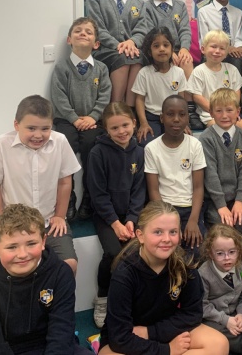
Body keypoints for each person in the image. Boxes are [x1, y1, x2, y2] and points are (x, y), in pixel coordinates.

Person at [98, 200, 229, 355]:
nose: (167, 239)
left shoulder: (185, 265)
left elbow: (193, 314)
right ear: (140, 236)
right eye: (158, 232)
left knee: (219, 344)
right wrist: (167, 350)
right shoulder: (124, 273)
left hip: (167, 331)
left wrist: (151, 333)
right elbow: (120, 338)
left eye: (173, 232)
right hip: (130, 338)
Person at [0, 95, 81, 274]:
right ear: (16, 125)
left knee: (69, 265)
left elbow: (65, 181)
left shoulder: (60, 141)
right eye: (31, 128)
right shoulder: (1, 144)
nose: (38, 135)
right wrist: (1, 223)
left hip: (48, 222)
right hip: (11, 225)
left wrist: (59, 215)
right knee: (10, 272)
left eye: (45, 128)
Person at [0, 204, 89, 354]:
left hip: (51, 346)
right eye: (12, 247)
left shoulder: (61, 274)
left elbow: (62, 333)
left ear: (43, 241)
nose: (22, 254)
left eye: (31, 243)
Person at [87, 102, 146, 328]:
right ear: (106, 129)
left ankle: (131, 300)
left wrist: (131, 219)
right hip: (106, 216)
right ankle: (102, 298)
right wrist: (115, 224)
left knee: (139, 252)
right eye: (114, 128)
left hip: (130, 215)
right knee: (113, 253)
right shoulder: (98, 153)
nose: (121, 131)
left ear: (134, 123)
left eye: (125, 125)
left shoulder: (139, 152)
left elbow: (139, 191)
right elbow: (98, 194)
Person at [51, 16, 112, 222]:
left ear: (96, 44)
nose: (83, 33)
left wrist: (93, 117)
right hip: (66, 120)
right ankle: (68, 198)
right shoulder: (62, 67)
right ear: (69, 39)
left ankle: (88, 197)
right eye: (78, 31)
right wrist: (74, 119)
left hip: (92, 121)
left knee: (92, 147)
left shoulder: (101, 69)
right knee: (64, 143)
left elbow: (104, 96)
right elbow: (58, 96)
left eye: (88, 32)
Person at [144, 95, 206, 256]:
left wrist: (193, 220)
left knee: (196, 254)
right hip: (164, 209)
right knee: (170, 254)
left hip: (191, 210)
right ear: (161, 118)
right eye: (170, 114)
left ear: (188, 118)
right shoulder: (151, 148)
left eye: (182, 114)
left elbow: (198, 187)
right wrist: (170, 223)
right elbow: (154, 191)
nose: (176, 119)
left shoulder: (195, 145)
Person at [86, 0, 144, 106]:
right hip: (105, 49)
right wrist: (119, 45)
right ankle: (115, 107)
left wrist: (131, 42)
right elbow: (97, 27)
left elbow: (142, 28)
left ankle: (130, 109)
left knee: (139, 57)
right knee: (122, 57)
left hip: (131, 49)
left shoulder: (138, 2)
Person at [198, 223, 242, 353]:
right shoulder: (203, 274)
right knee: (236, 339)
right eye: (220, 253)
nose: (227, 258)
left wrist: (241, 315)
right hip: (213, 319)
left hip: (234, 314)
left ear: (238, 251)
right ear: (211, 254)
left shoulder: (241, 268)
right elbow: (202, 305)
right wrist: (226, 320)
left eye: (232, 252)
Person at [199, 88, 242, 240]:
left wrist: (240, 201)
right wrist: (221, 206)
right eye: (219, 111)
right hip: (215, 201)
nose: (224, 116)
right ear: (211, 113)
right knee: (221, 230)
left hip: (238, 198)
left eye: (229, 110)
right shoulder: (206, 139)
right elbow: (210, 174)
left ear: (238, 112)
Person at [187, 30, 242, 135]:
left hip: (231, 113)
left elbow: (236, 94)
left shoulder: (232, 69)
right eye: (213, 46)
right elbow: (197, 97)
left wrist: (232, 112)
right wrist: (217, 112)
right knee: (220, 130)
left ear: (226, 53)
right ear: (203, 49)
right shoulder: (199, 71)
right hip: (210, 114)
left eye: (222, 48)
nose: (217, 51)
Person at [132, 27, 187, 147]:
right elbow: (139, 100)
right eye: (156, 46)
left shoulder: (179, 72)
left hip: (173, 116)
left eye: (166, 45)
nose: (161, 49)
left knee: (181, 142)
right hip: (152, 117)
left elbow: (181, 100)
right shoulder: (144, 73)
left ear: (172, 48)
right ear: (149, 51)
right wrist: (143, 123)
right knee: (147, 143)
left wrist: (185, 123)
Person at [142, 0, 193, 80]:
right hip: (159, 51)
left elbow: (185, 30)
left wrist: (185, 48)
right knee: (167, 65)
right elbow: (151, 33)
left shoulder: (181, 6)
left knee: (187, 62)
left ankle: (189, 92)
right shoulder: (146, 7)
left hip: (179, 50)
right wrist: (169, 52)